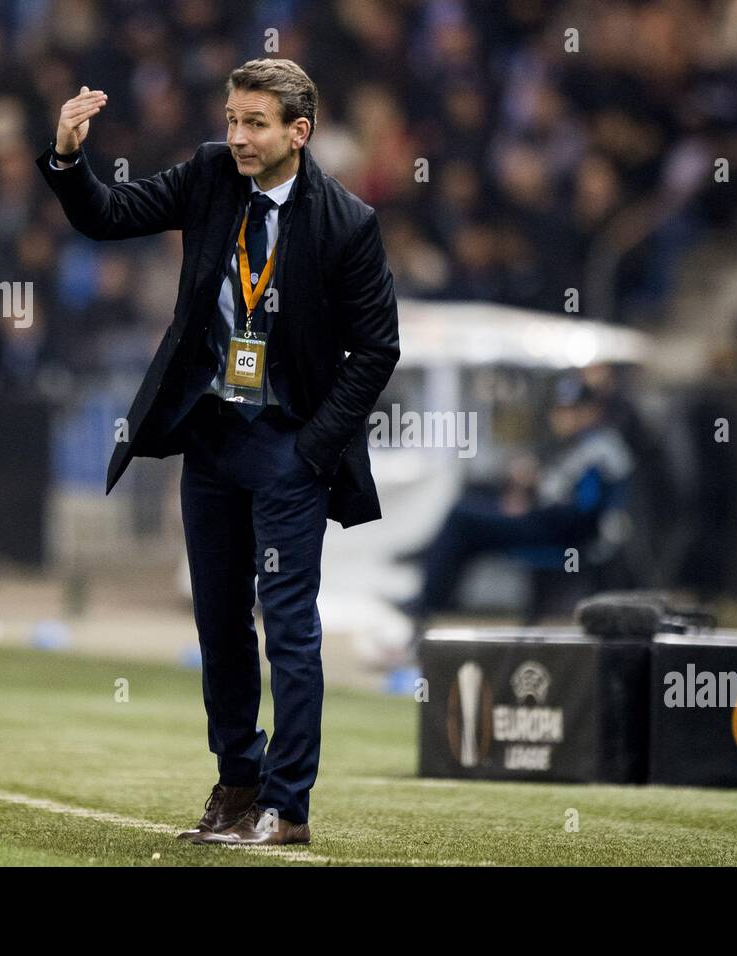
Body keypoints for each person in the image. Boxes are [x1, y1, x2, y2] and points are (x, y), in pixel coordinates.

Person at [37, 59, 399, 846]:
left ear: (298, 133)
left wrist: (312, 450)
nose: (236, 135)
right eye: (232, 119)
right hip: (213, 437)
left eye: (255, 123)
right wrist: (69, 157)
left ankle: (288, 804)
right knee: (219, 624)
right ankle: (237, 783)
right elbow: (106, 214)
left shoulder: (346, 223)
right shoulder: (209, 175)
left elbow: (377, 350)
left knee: (291, 630)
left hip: (288, 450)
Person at [401, 373, 634, 646]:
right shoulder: (578, 444)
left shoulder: (600, 449)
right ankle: (431, 599)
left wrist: (530, 510)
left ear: (591, 411)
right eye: (561, 409)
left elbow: (580, 515)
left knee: (461, 518)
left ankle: (426, 602)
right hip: (550, 526)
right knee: (468, 515)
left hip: (568, 541)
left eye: (572, 409)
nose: (562, 416)